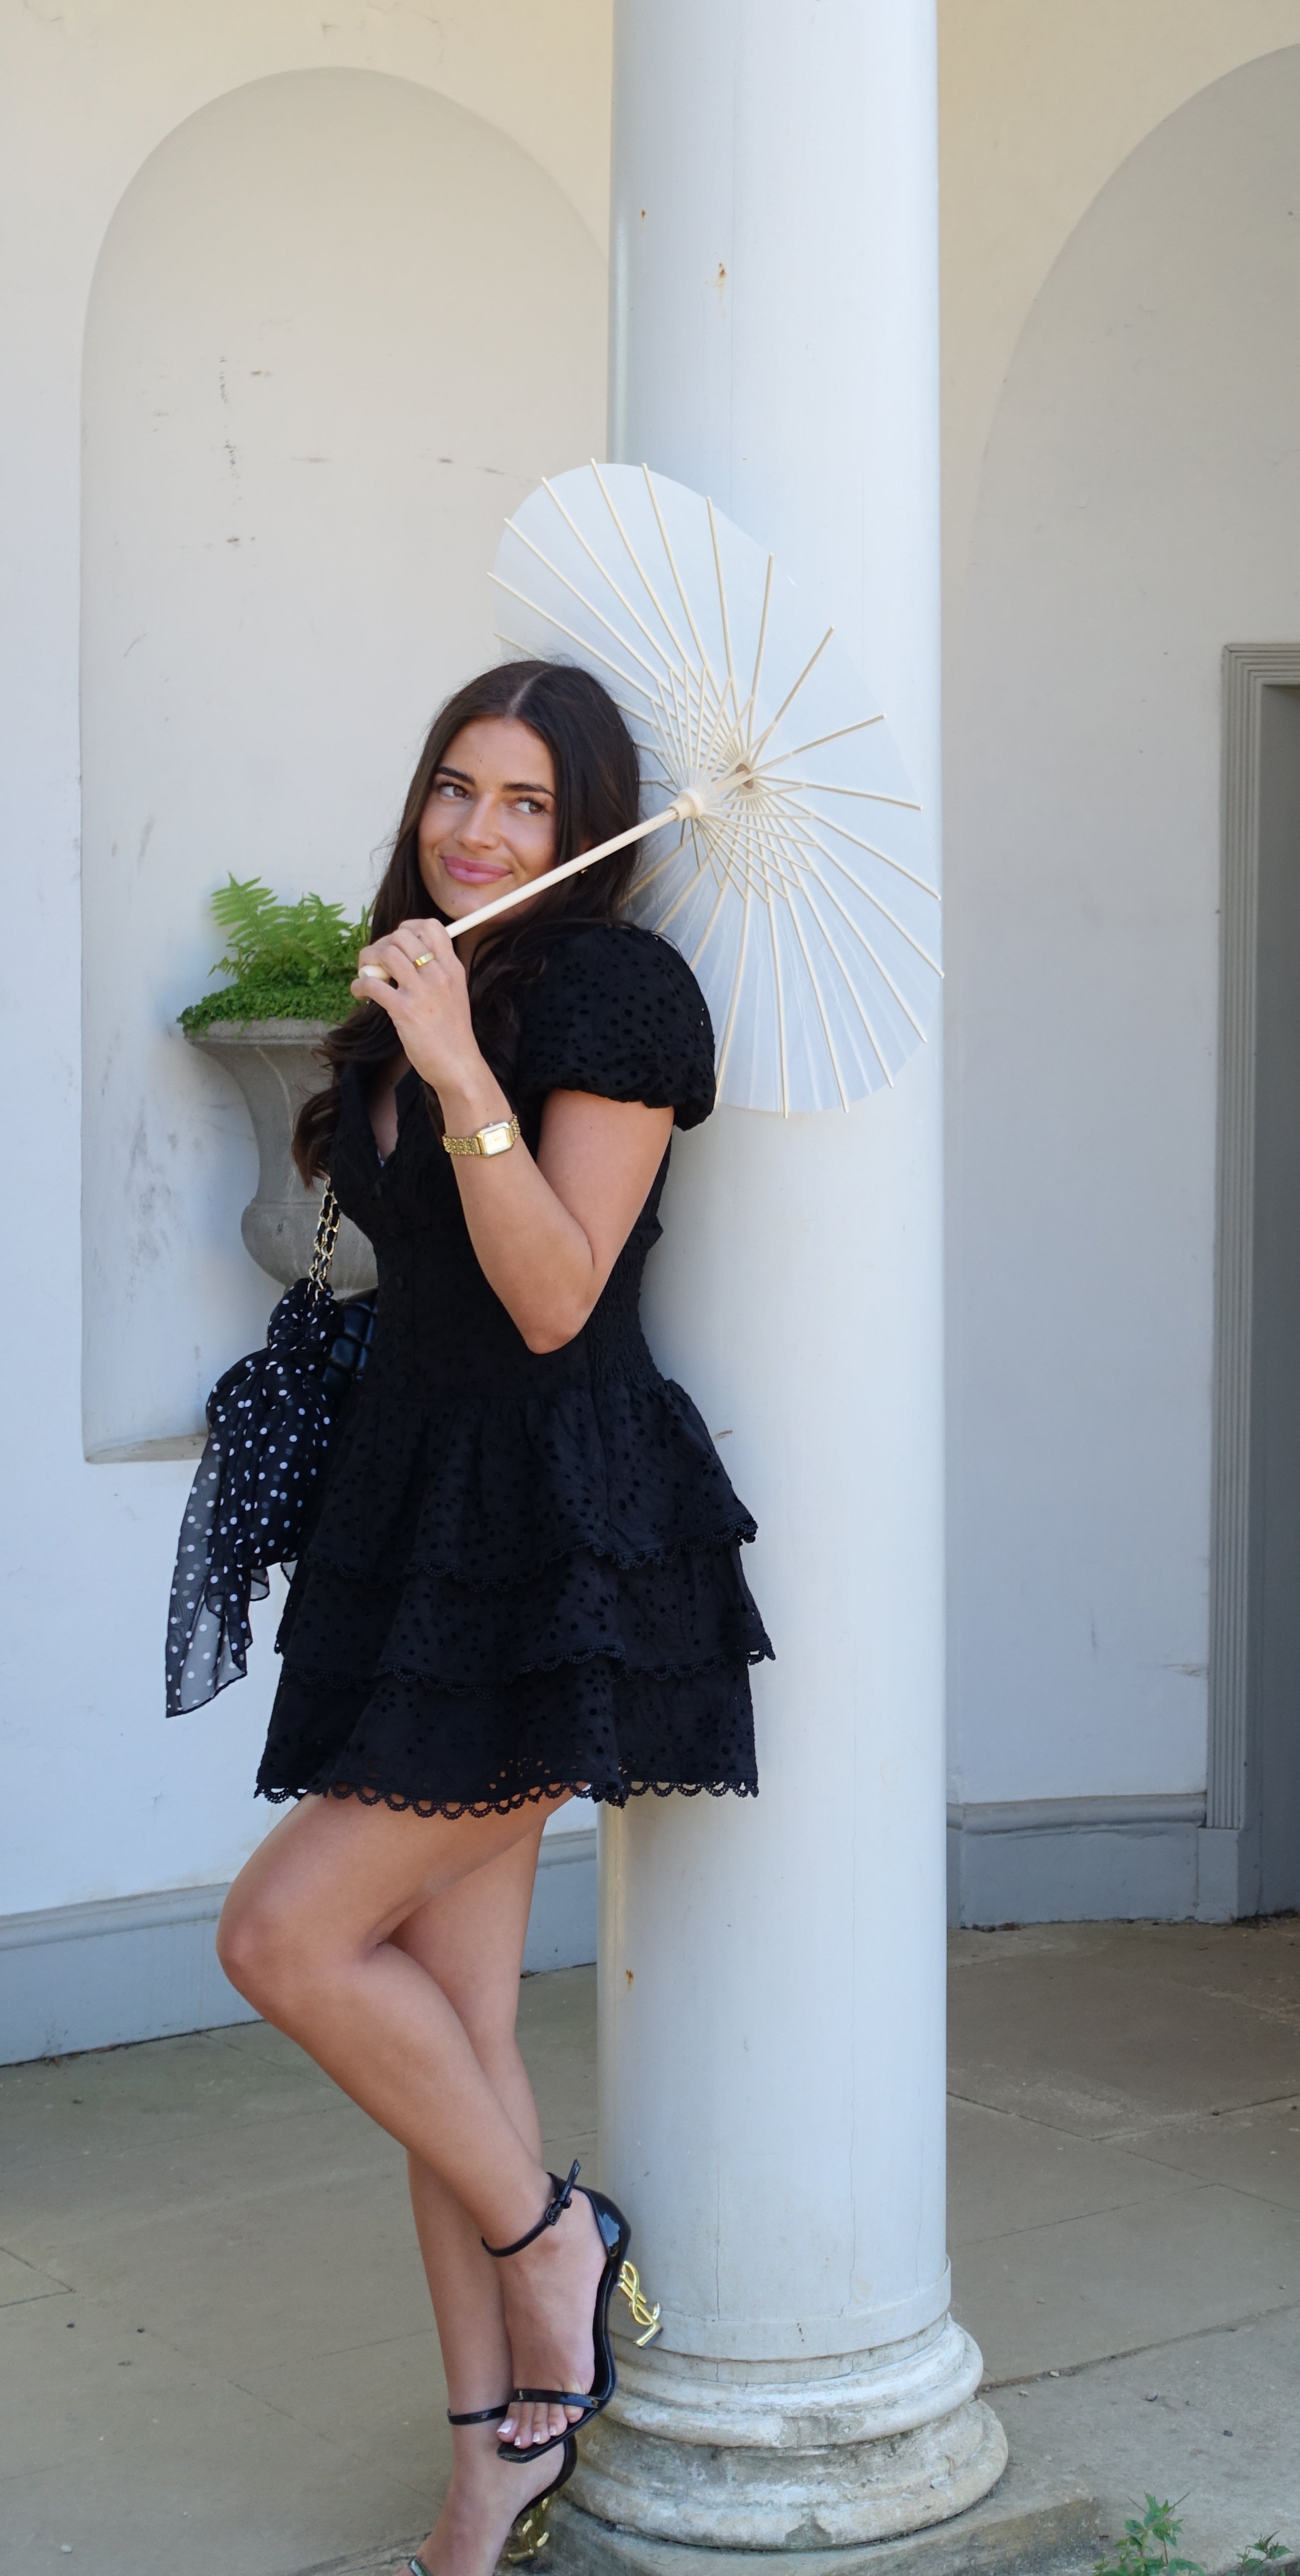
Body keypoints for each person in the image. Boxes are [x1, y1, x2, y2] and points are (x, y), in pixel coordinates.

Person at [215, 659, 769, 2576]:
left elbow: (554, 1298)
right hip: (419, 1523)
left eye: (527, 802)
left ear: (587, 822)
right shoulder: (430, 968)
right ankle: (498, 2460)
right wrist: (409, 1047)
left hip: (556, 1530)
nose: (475, 828)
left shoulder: (614, 997)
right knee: (448, 2029)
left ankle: (560, 2250)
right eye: (457, 786)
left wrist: (456, 1075)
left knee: (282, 1935)